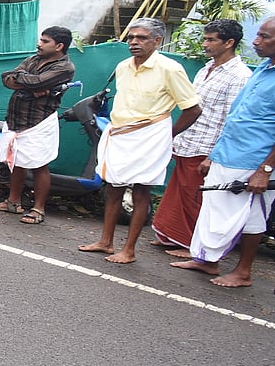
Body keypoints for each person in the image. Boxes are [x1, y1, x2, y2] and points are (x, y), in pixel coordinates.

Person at [171, 15, 275, 287]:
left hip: (256, 159)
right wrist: (214, 154)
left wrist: (265, 170)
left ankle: (243, 272)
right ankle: (207, 260)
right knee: (215, 208)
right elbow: (235, 117)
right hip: (229, 153)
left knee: (250, 215)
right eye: (258, 35)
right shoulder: (262, 70)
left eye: (265, 37)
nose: (256, 41)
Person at [79, 18, 201, 264]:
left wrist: (168, 135)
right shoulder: (123, 66)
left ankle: (129, 250)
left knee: (141, 191)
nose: (134, 42)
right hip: (120, 132)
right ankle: (106, 242)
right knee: (113, 187)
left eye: (142, 38)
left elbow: (193, 109)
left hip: (151, 134)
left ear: (157, 41)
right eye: (131, 37)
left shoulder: (170, 68)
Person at [151, 19, 251, 251]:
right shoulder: (207, 68)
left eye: (211, 40)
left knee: (195, 198)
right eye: (205, 38)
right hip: (189, 141)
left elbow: (231, 119)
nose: (205, 44)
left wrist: (213, 156)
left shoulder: (239, 76)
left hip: (207, 147)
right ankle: (171, 236)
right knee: (178, 193)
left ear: (229, 43)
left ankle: (191, 246)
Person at [0, 26, 76, 224]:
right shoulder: (35, 59)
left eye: (45, 41)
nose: (39, 44)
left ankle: (38, 209)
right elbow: (7, 77)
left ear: (59, 46)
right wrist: (30, 84)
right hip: (16, 118)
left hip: (39, 121)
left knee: (39, 165)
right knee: (16, 159)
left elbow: (35, 82)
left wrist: (29, 83)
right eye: (40, 40)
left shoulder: (65, 67)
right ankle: (13, 202)